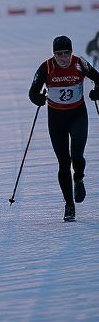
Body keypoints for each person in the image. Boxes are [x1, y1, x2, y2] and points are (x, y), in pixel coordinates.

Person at [28, 34, 99, 221]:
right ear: (54, 54)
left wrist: (97, 91)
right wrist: (37, 98)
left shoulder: (80, 63)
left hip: (78, 116)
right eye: (59, 54)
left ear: (71, 52)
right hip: (56, 119)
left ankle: (79, 178)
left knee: (77, 155)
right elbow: (33, 91)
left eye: (66, 53)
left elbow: (98, 78)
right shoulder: (46, 67)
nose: (63, 58)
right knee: (63, 162)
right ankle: (69, 205)